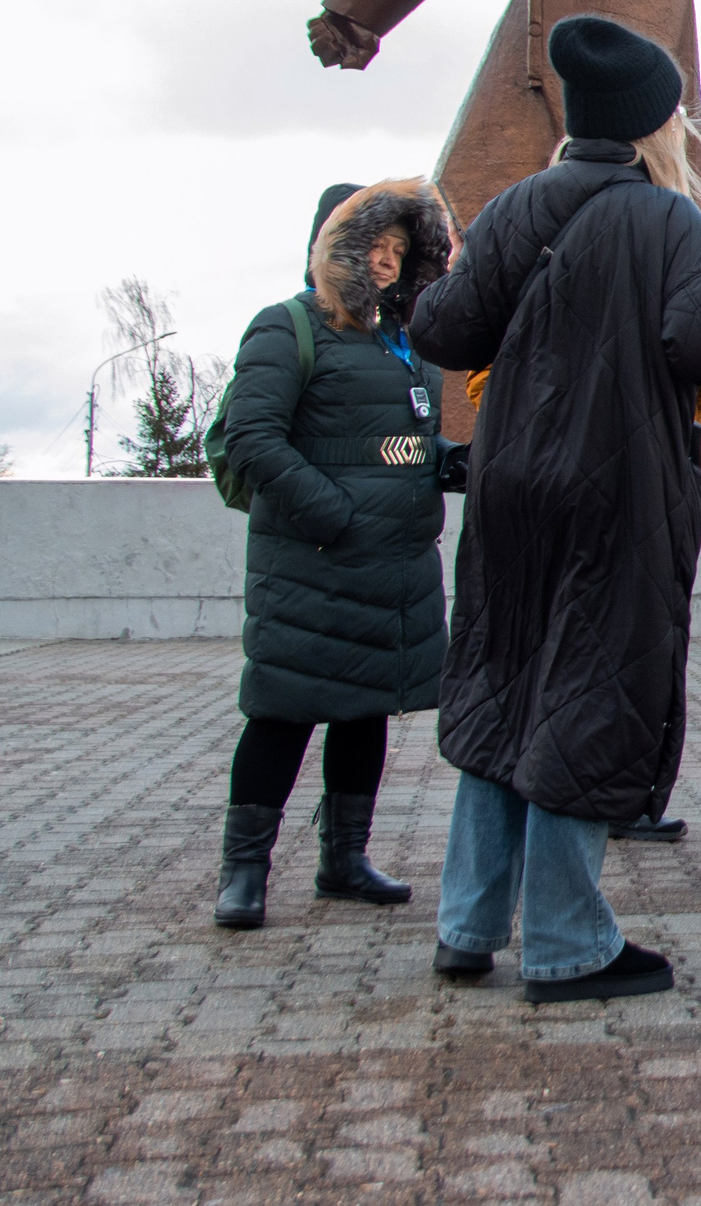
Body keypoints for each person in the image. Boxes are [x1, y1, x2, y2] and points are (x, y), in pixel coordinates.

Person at [409, 15, 701, 1003]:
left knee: (502, 685)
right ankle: (568, 941)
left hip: (510, 486)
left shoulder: (518, 205)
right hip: (608, 490)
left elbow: (443, 327)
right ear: (654, 127)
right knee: (585, 693)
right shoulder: (668, 220)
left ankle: (466, 923)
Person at [212, 179, 458, 930]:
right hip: (313, 561)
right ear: (332, 247)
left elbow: (402, 441)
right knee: (282, 712)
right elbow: (252, 437)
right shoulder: (285, 327)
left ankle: (344, 858)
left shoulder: (405, 340)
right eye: (371, 248)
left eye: (396, 251)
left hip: (394, 568)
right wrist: (336, 513)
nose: (384, 264)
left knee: (365, 712)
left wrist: (451, 463)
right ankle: (244, 872)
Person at [461, 360, 701, 846]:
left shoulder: (674, 291)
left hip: (646, 492)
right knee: (540, 655)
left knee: (632, 657)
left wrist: (691, 443)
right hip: (546, 485)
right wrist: (556, 426)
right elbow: (487, 376)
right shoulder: (542, 291)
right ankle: (539, 794)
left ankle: (617, 796)